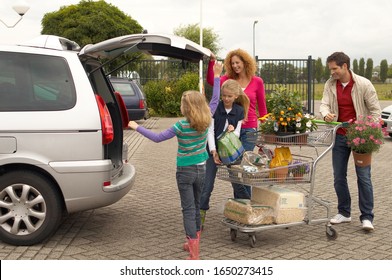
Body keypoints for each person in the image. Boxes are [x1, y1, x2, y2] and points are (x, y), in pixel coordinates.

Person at [128, 62, 223, 260]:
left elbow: (157, 138)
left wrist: (137, 127)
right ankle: (193, 243)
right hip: (201, 169)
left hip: (185, 171)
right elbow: (215, 99)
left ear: (186, 107)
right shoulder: (207, 119)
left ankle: (194, 252)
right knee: (196, 206)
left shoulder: (180, 125)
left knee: (188, 208)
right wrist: (216, 75)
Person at [320, 51, 381, 231]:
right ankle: (344, 213)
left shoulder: (364, 84)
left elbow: (376, 112)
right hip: (339, 135)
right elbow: (323, 104)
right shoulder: (330, 84)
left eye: (334, 69)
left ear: (345, 66)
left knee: (363, 177)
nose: (332, 73)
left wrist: (366, 129)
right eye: (330, 69)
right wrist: (326, 114)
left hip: (360, 138)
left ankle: (367, 217)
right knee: (338, 176)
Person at [206, 50, 267, 199]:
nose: (235, 66)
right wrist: (212, 62)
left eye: (237, 63)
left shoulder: (257, 81)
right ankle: (244, 204)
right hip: (229, 131)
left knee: (242, 167)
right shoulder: (228, 80)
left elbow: (263, 107)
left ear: (245, 63)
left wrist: (264, 134)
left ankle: (244, 203)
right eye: (232, 63)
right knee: (234, 168)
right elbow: (211, 81)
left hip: (249, 131)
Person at [200, 79, 250, 226]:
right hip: (212, 150)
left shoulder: (239, 111)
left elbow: (237, 134)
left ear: (236, 96)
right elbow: (210, 132)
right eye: (224, 95)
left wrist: (232, 131)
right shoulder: (215, 108)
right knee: (207, 185)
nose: (226, 99)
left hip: (231, 152)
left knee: (237, 183)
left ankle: (248, 209)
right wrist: (214, 152)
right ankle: (200, 216)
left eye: (229, 96)